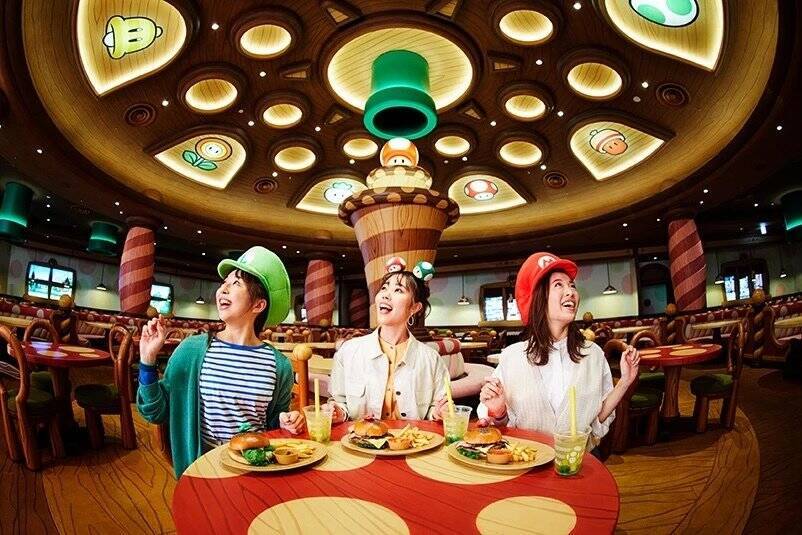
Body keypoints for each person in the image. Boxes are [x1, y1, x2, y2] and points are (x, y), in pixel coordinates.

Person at [137, 246, 304, 478]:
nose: (223, 289)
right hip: (204, 468)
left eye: (236, 283)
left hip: (256, 468)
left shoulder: (279, 366)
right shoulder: (191, 351)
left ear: (258, 305)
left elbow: (273, 423)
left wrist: (286, 422)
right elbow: (155, 412)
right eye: (224, 283)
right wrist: (147, 361)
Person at [478, 252, 640, 448]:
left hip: (577, 459)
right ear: (538, 299)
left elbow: (599, 417)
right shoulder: (512, 358)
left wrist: (625, 381)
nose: (570, 291)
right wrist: (498, 412)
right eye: (558, 285)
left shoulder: (593, 354)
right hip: (528, 461)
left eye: (572, 285)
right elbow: (501, 425)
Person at [329, 266, 449, 423]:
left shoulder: (431, 359)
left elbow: (437, 407)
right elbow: (339, 402)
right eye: (384, 288)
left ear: (414, 307)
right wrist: (337, 412)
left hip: (414, 437)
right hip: (361, 437)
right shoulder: (349, 351)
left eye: (398, 290)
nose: (385, 295)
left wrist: (439, 412)